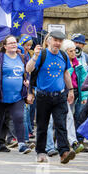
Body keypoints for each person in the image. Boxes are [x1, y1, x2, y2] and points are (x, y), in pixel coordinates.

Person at [26, 31, 76, 164]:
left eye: (60, 41)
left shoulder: (64, 56)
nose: (58, 43)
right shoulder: (41, 55)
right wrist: (35, 56)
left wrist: (70, 90)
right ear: (48, 41)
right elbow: (29, 69)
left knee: (61, 124)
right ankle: (41, 152)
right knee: (42, 126)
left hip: (59, 96)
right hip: (43, 96)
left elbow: (66, 73)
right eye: (55, 40)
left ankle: (64, 152)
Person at [0, 35, 32, 154]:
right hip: (0, 96)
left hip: (17, 96)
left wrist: (27, 81)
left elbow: (28, 72)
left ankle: (22, 144)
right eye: (10, 43)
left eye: (15, 43)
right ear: (5, 46)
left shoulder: (23, 58)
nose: (13, 45)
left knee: (19, 117)